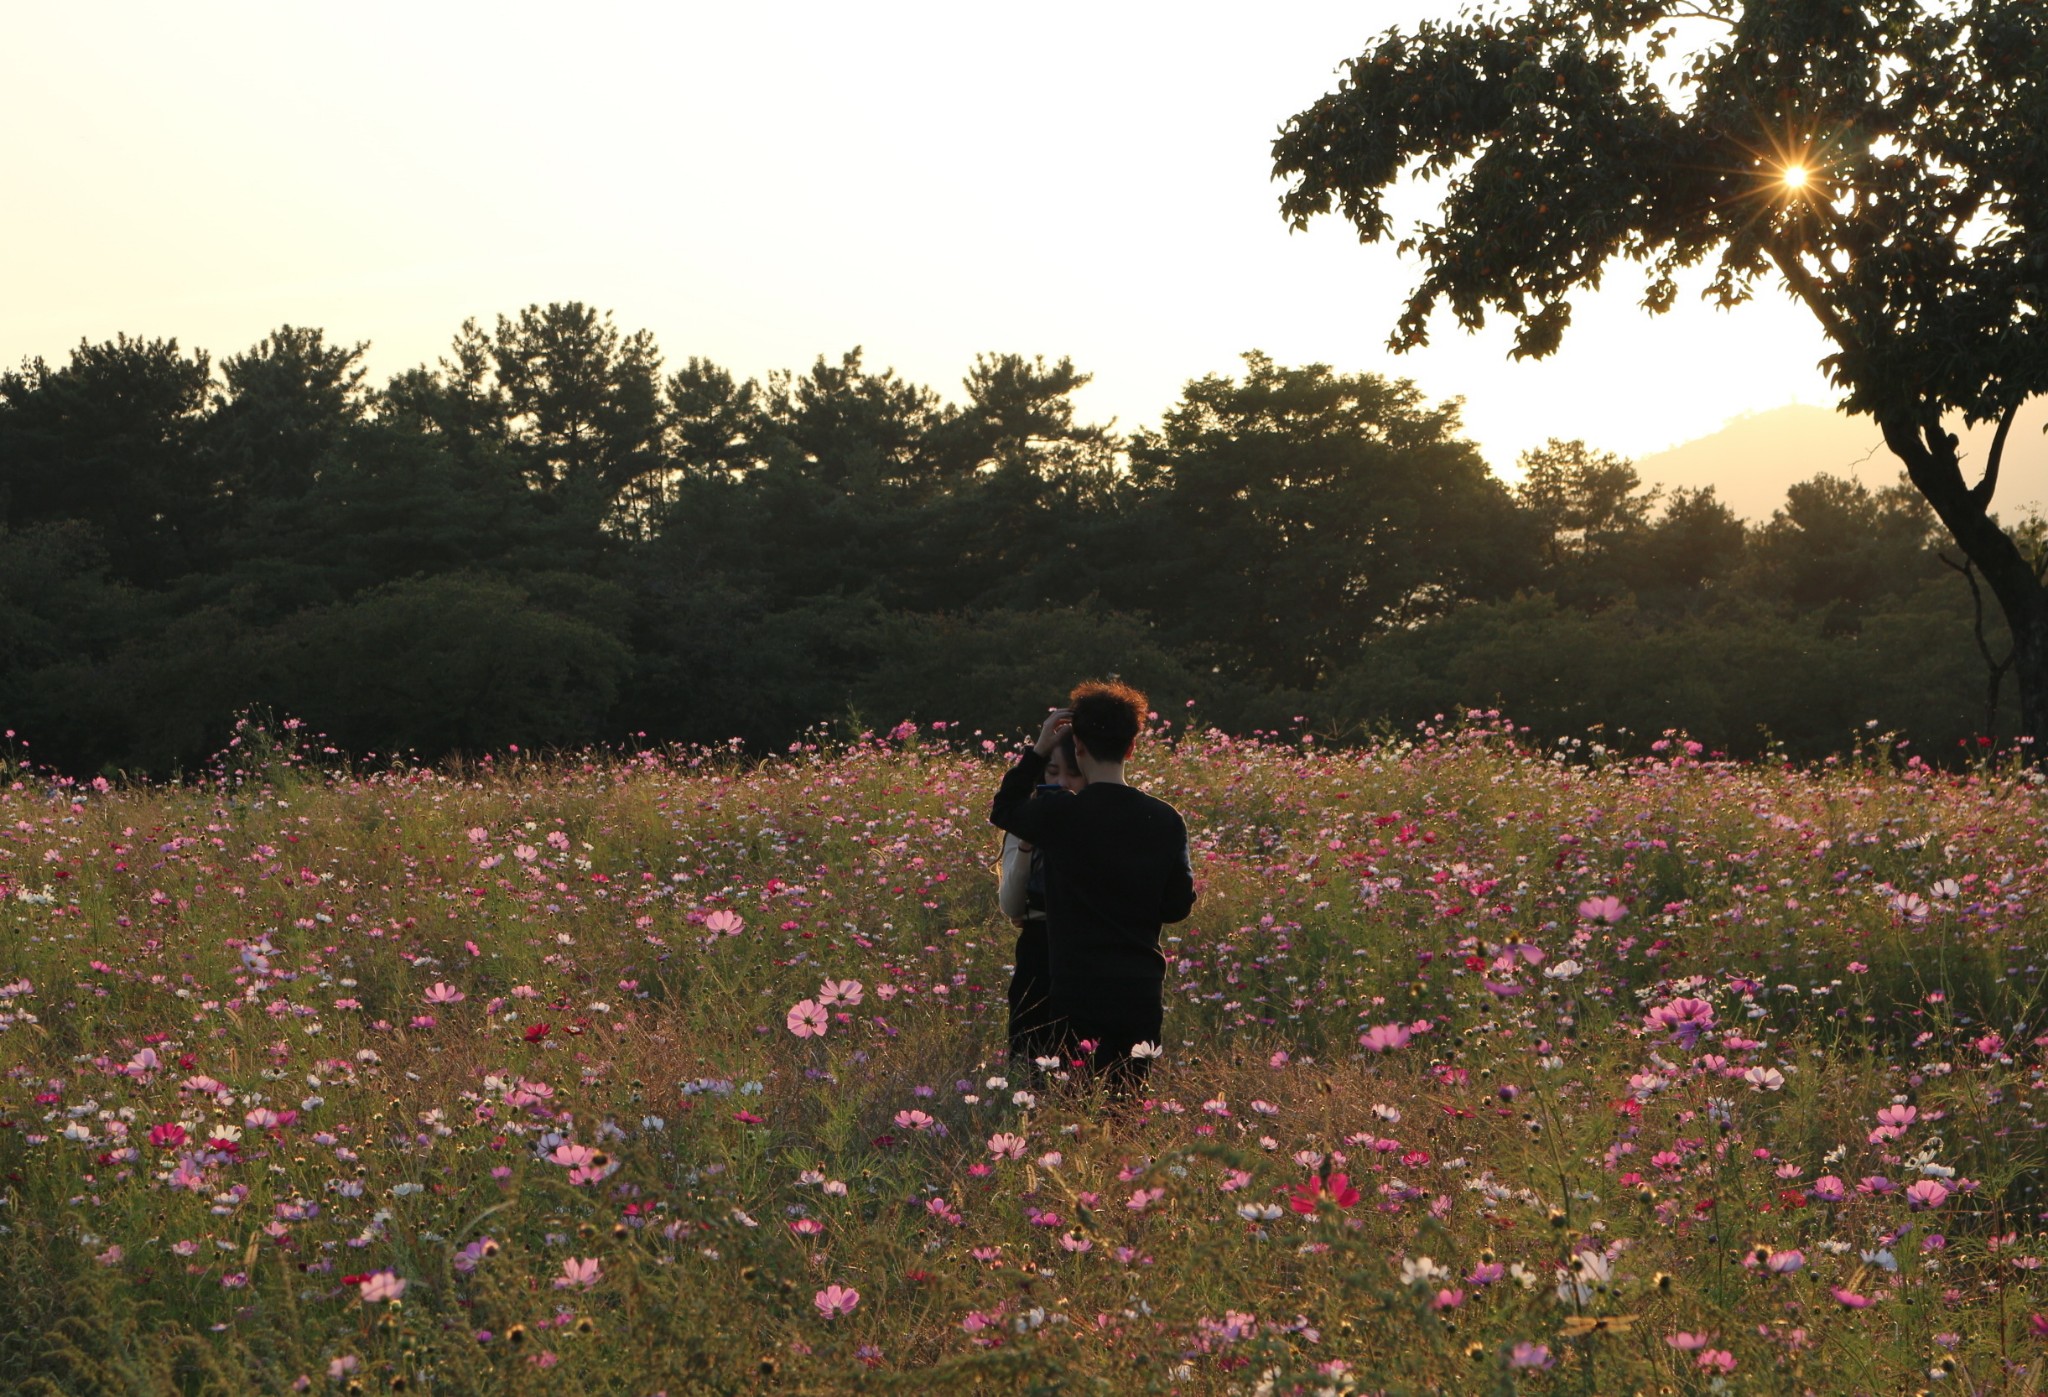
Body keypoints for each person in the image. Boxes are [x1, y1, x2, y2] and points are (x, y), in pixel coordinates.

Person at [989, 680, 1196, 1092]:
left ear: (1077, 747)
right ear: (1132, 747)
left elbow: (1005, 809)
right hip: (1140, 991)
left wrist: (1038, 751)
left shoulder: (1059, 813)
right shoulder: (1166, 818)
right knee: (1126, 1106)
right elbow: (1176, 908)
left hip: (1075, 989)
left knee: (1074, 1105)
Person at [995, 733, 1084, 1072]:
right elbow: (1012, 906)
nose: (1061, 782)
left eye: (1072, 773)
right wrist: (1028, 846)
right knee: (1029, 1061)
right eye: (1051, 771)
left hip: (1082, 954)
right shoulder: (1028, 821)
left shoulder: (1099, 820)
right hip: (1037, 955)